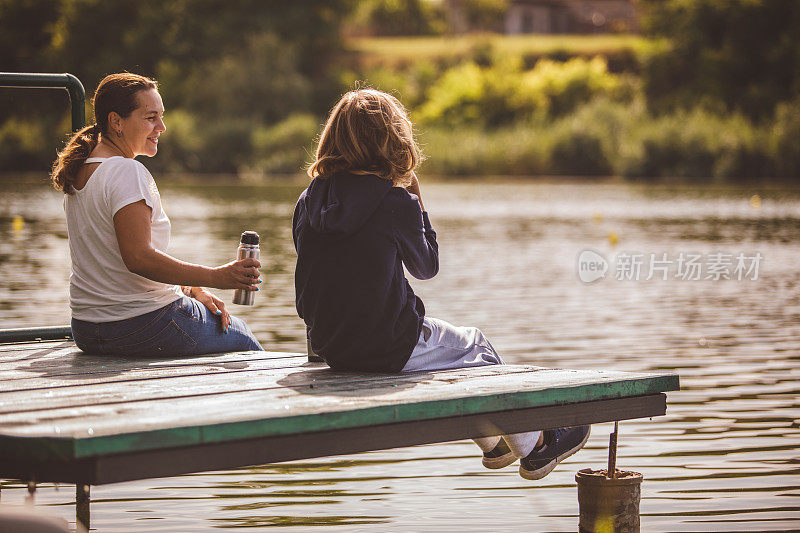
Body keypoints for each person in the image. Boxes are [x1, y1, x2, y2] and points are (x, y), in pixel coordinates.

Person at [292, 88, 589, 480]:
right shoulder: (393, 201)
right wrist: (418, 203)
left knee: (455, 357)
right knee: (476, 346)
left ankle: (495, 445)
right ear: (391, 141)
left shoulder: (308, 199)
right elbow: (426, 267)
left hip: (329, 344)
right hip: (390, 343)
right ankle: (535, 445)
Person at [51, 72, 263, 357]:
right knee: (244, 336)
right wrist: (218, 277)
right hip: (142, 325)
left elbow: (116, 263)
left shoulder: (81, 171)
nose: (161, 127)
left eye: (161, 117)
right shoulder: (126, 171)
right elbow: (138, 258)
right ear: (116, 122)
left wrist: (191, 288)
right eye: (150, 118)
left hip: (88, 329)